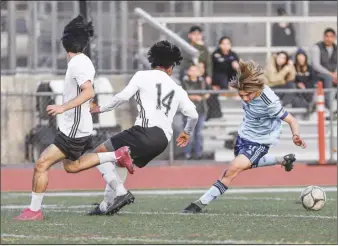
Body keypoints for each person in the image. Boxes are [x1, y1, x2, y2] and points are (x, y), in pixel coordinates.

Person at [55, 40, 199, 215]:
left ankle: (121, 193)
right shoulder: (178, 89)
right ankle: (106, 206)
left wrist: (101, 108)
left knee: (99, 153)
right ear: (170, 68)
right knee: (119, 163)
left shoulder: (142, 75)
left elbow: (122, 97)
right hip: (162, 141)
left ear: (152, 62)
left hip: (144, 132)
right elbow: (193, 115)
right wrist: (186, 132)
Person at [13, 15, 129, 221]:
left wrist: (62, 107)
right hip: (76, 125)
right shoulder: (81, 61)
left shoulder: (78, 64)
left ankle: (34, 210)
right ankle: (116, 156)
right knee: (71, 166)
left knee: (41, 164)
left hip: (73, 128)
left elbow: (88, 91)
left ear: (65, 42)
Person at [182, 60, 307, 213]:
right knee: (245, 165)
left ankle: (199, 204)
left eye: (248, 95)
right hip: (243, 136)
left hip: (260, 141)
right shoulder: (245, 92)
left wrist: (296, 136)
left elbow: (292, 120)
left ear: (256, 89)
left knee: (233, 169)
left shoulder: (270, 102)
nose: (245, 98)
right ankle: (281, 160)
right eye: (242, 95)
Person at [181, 64, 210, 160]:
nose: (194, 72)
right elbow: (182, 95)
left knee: (199, 133)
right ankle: (187, 153)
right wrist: (194, 97)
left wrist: (203, 97)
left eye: (195, 70)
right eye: (192, 70)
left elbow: (208, 93)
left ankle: (198, 153)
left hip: (200, 110)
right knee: (189, 133)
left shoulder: (202, 82)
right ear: (188, 72)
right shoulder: (185, 81)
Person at [310, 28, 337, 110]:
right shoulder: (316, 47)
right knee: (328, 78)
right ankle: (329, 105)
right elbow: (316, 65)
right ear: (323, 37)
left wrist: (336, 74)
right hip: (318, 74)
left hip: (332, 74)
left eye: (331, 36)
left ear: (334, 38)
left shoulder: (336, 48)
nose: (328, 38)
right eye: (326, 36)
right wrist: (331, 74)